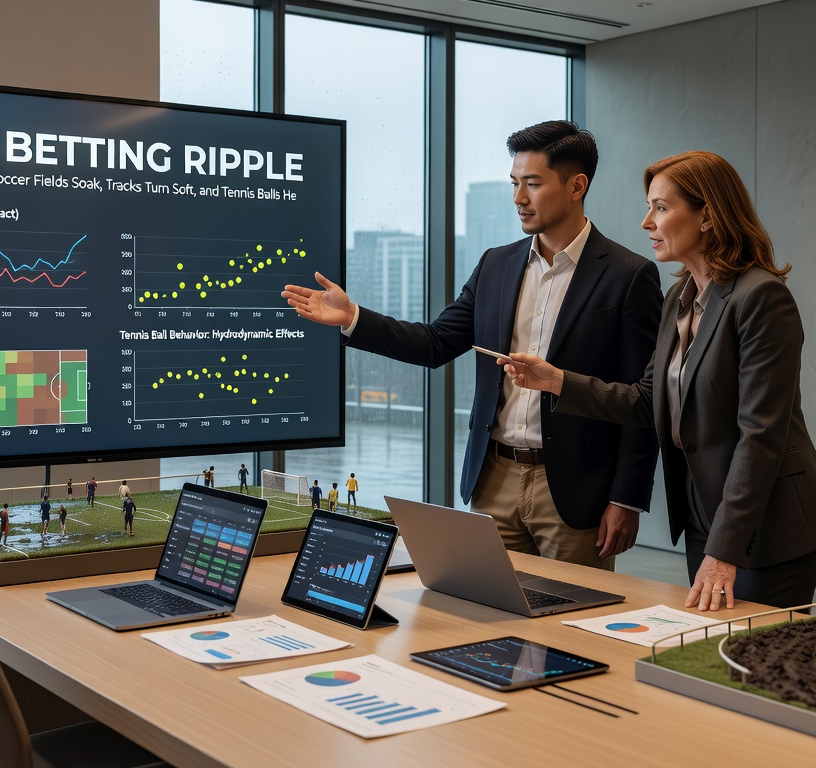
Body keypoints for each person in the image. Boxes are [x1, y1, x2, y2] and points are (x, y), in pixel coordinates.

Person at [283, 120, 661, 570]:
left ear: (577, 185)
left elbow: (644, 400)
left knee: (566, 627)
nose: (519, 198)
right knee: (485, 614)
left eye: (533, 184)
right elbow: (435, 342)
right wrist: (353, 318)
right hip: (493, 478)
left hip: (577, 489)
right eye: (515, 183)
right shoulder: (495, 265)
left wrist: (627, 498)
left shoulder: (628, 275)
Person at [503, 150, 816, 610]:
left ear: (707, 216)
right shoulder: (678, 299)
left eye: (661, 208)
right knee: (709, 649)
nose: (647, 222)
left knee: (753, 665)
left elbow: (760, 436)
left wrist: (723, 551)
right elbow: (647, 401)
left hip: (770, 523)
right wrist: (557, 381)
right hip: (706, 513)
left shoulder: (761, 297)